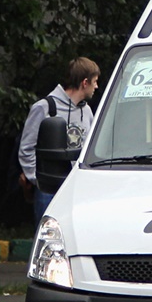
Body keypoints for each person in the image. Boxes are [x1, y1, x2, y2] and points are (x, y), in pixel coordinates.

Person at [19, 57, 101, 224]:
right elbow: (26, 148)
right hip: (49, 190)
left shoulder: (86, 111)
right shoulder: (44, 107)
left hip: (76, 189)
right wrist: (38, 178)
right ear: (85, 83)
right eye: (95, 82)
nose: (97, 87)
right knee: (47, 239)